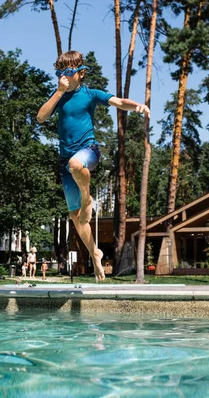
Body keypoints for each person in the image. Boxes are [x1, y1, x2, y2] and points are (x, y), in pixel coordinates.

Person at [37, 50, 150, 281]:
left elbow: (118, 101)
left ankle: (86, 196)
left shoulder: (90, 94)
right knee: (77, 218)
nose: (63, 78)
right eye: (59, 73)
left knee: (75, 163)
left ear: (80, 72)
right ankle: (95, 253)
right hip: (65, 162)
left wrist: (136, 105)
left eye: (68, 73)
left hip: (89, 151)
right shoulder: (59, 96)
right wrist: (58, 92)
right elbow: (41, 117)